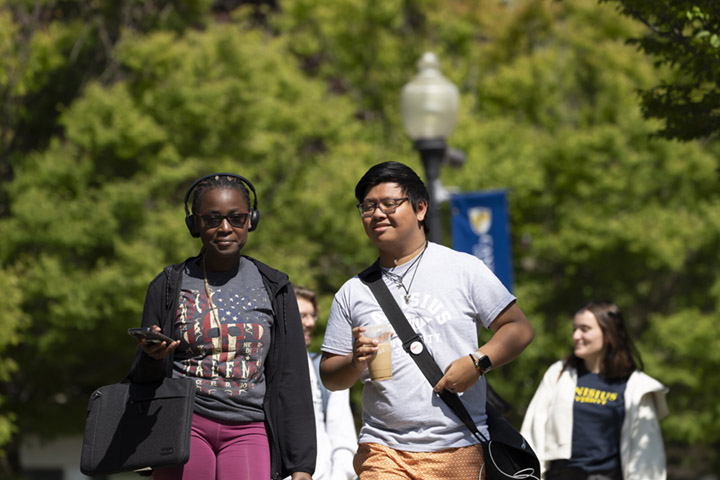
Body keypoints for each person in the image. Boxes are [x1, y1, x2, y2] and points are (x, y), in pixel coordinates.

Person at [319, 161, 534, 480]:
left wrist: (478, 362)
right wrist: (355, 361)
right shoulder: (353, 291)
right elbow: (330, 377)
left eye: (389, 203)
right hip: (383, 449)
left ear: (420, 208)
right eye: (368, 206)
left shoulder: (463, 269)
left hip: (458, 445)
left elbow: (518, 328)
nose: (377, 214)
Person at [127, 173, 315, 480]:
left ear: (251, 220)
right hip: (184, 422)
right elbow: (142, 376)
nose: (225, 228)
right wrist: (152, 356)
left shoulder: (275, 287)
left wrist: (301, 465)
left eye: (236, 218)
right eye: (213, 219)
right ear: (195, 224)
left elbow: (291, 376)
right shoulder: (167, 286)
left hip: (249, 426)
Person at [520, 301, 669, 480]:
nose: (576, 336)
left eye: (585, 329)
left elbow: (647, 456)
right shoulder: (559, 374)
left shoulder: (637, 387)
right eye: (575, 329)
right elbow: (534, 432)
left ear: (608, 334)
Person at [294, 286, 358, 480]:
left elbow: (343, 438)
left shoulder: (327, 371)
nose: (311, 322)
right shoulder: (260, 371)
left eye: (312, 315)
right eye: (302, 316)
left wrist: (338, 476)